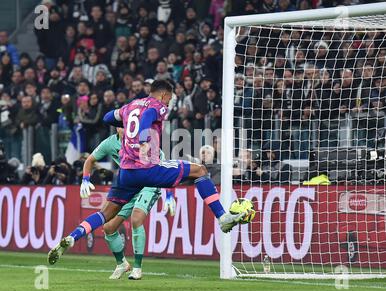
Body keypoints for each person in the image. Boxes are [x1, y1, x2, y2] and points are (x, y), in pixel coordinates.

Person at [48, 80, 246, 265]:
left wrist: (124, 122)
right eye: (169, 99)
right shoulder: (157, 105)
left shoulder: (130, 106)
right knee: (200, 170)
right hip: (147, 167)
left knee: (105, 213)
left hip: (126, 172)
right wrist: (143, 140)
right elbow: (149, 117)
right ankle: (222, 217)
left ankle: (72, 237)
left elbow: (108, 117)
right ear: (162, 95)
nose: (169, 103)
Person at [80, 128, 172, 280]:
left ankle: (137, 268)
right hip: (130, 186)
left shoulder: (143, 139)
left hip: (149, 183)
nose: (124, 128)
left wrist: (168, 194)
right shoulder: (110, 143)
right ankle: (122, 263)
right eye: (120, 125)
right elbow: (90, 160)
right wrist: (85, 179)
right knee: (109, 227)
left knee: (136, 219)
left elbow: (163, 164)